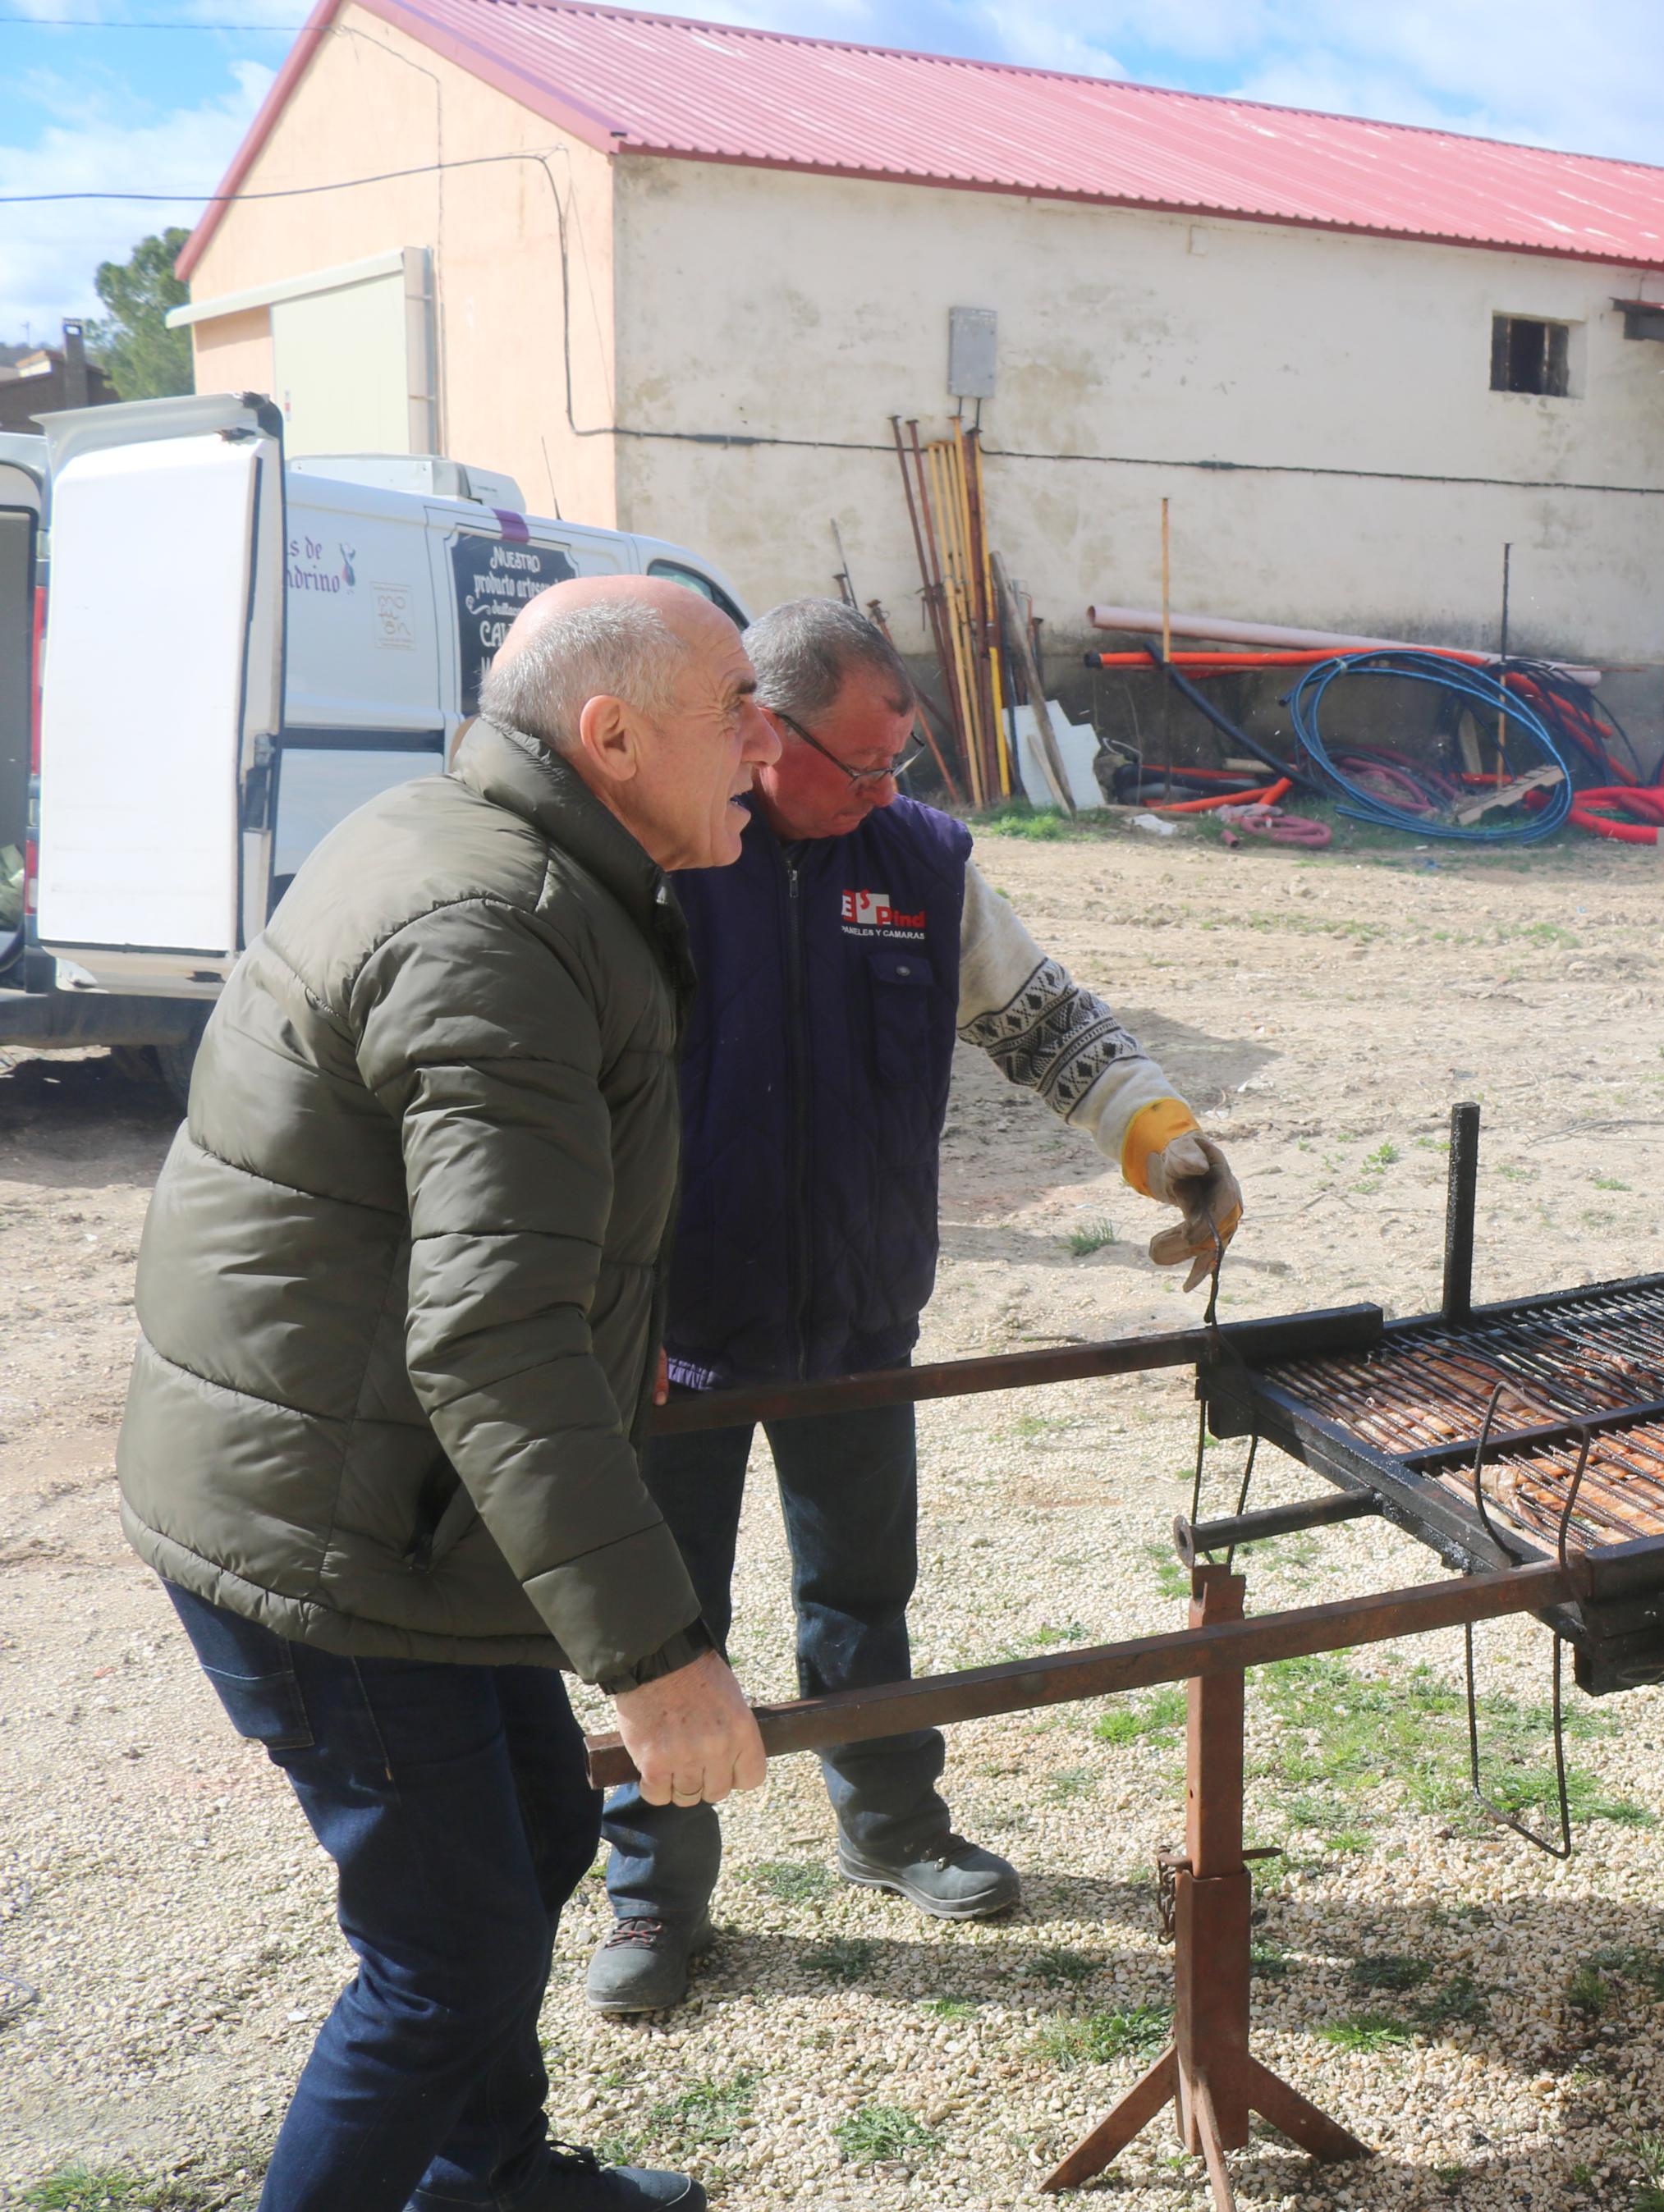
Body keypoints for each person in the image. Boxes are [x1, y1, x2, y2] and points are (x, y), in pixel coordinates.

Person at [119, 577, 785, 2211]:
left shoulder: (514, 852)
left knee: (535, 1852)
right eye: (737, 709)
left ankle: (488, 2179)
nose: (766, 747)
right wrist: (658, 1656)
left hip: (388, 1485)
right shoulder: (498, 924)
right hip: (336, 1535)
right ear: (611, 735)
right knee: (448, 1957)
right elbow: (492, 1337)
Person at [584, 598, 1242, 2013]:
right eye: (867, 767)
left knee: (863, 1596)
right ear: (763, 728)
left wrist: (1167, 1140)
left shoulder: (922, 867)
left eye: (902, 768)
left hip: (858, 1326)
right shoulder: (654, 859)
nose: (891, 794)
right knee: (662, 1620)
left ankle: (889, 1828)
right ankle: (652, 1897)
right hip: (668, 1342)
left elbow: (1046, 1024)